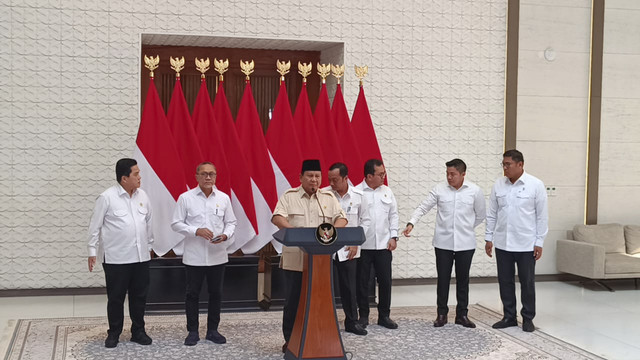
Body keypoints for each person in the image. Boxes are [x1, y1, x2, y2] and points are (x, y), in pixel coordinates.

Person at [272, 159, 347, 352]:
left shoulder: (328, 198)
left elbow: (342, 218)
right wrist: (293, 232)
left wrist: (332, 232)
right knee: (293, 302)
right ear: (301, 177)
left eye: (317, 176)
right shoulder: (289, 196)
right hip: (295, 260)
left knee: (321, 303)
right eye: (310, 176)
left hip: (320, 263)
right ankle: (291, 340)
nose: (314, 180)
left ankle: (319, 338)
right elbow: (277, 217)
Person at [402, 158, 486, 328]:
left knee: (463, 280)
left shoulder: (475, 191)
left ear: (463, 174)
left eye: (453, 174)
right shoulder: (439, 189)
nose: (449, 177)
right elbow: (423, 207)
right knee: (443, 279)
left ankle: (462, 315)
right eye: (447, 174)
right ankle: (442, 314)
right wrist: (412, 222)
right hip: (443, 243)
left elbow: (481, 215)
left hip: (466, 243)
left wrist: (466, 227)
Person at [87, 158, 153, 348]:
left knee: (139, 296)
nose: (140, 177)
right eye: (136, 174)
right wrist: (92, 251)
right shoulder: (107, 197)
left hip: (141, 258)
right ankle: (114, 332)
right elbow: (94, 226)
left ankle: (138, 331)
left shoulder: (143, 196)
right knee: (116, 298)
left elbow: (149, 224)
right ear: (124, 178)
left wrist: (150, 247)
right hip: (117, 258)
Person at [171, 162, 237, 345]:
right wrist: (195, 231)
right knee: (192, 294)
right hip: (194, 257)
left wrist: (226, 235)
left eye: (212, 174)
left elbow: (231, 222)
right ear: (196, 176)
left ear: (216, 176)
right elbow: (175, 223)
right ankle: (192, 331)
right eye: (204, 174)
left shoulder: (223, 198)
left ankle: (213, 331)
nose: (208, 177)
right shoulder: (185, 198)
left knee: (216, 294)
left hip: (217, 255)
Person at [485, 149, 548, 332]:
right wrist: (489, 238)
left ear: (520, 164)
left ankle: (528, 317)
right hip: (503, 242)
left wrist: (539, 242)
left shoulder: (535, 185)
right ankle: (509, 316)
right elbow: (492, 213)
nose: (505, 168)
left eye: (508, 164)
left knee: (527, 282)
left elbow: (542, 217)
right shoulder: (498, 185)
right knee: (505, 281)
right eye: (503, 164)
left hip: (526, 243)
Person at [327, 162, 371, 336]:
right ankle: (325, 321)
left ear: (346, 178)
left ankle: (352, 322)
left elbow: (365, 221)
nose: (331, 183)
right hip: (327, 251)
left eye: (335, 180)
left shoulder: (359, 196)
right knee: (324, 288)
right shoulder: (324, 195)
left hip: (349, 250)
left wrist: (356, 242)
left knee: (349, 288)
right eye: (329, 180)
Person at [355, 159, 399, 330]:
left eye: (384, 174)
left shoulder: (387, 192)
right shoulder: (356, 192)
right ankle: (363, 315)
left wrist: (394, 236)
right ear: (369, 176)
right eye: (380, 174)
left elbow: (393, 215)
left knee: (385, 281)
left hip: (384, 245)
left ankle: (384, 316)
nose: (383, 177)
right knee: (362, 282)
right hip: (363, 246)